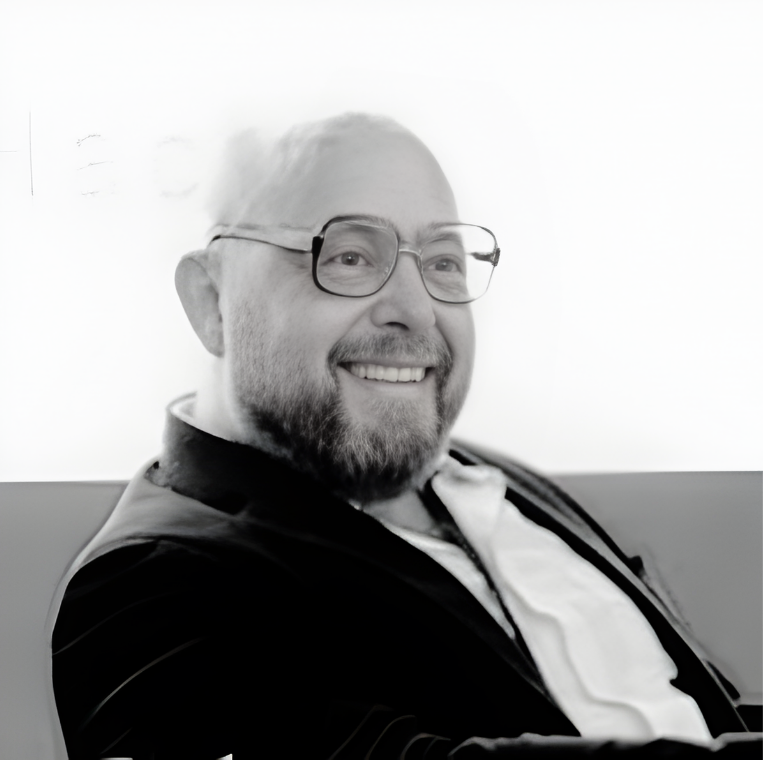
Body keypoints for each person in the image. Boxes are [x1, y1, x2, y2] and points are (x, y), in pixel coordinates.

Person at [51, 113, 760, 759]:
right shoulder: (154, 588)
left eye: (443, 262)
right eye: (350, 257)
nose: (417, 310)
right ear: (212, 302)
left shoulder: (494, 481)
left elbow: (693, 713)